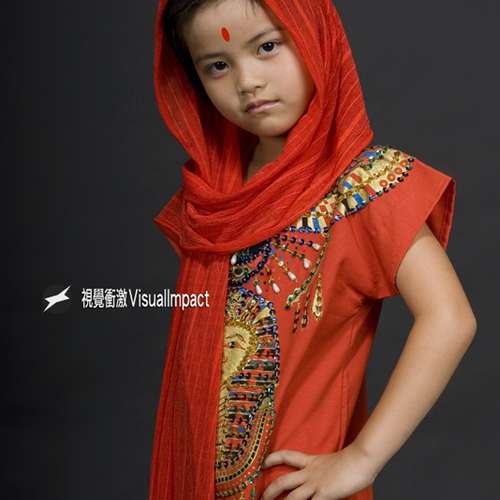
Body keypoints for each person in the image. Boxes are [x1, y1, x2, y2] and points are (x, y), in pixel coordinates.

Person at [148, 1, 477, 499]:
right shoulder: (214, 201)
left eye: (267, 46)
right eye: (217, 65)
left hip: (296, 487)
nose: (247, 81)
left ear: (315, 38)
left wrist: (363, 459)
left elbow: (450, 318)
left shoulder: (359, 187)